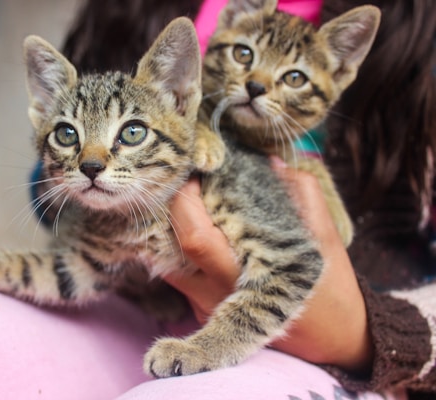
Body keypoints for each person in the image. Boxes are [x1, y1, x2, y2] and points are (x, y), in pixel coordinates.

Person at [62, 0, 436, 397]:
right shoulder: (140, 18)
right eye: (244, 54)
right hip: (132, 301)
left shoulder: (419, 46)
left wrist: (365, 334)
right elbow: (54, 174)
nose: (257, 84)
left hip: (346, 349)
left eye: (291, 76)